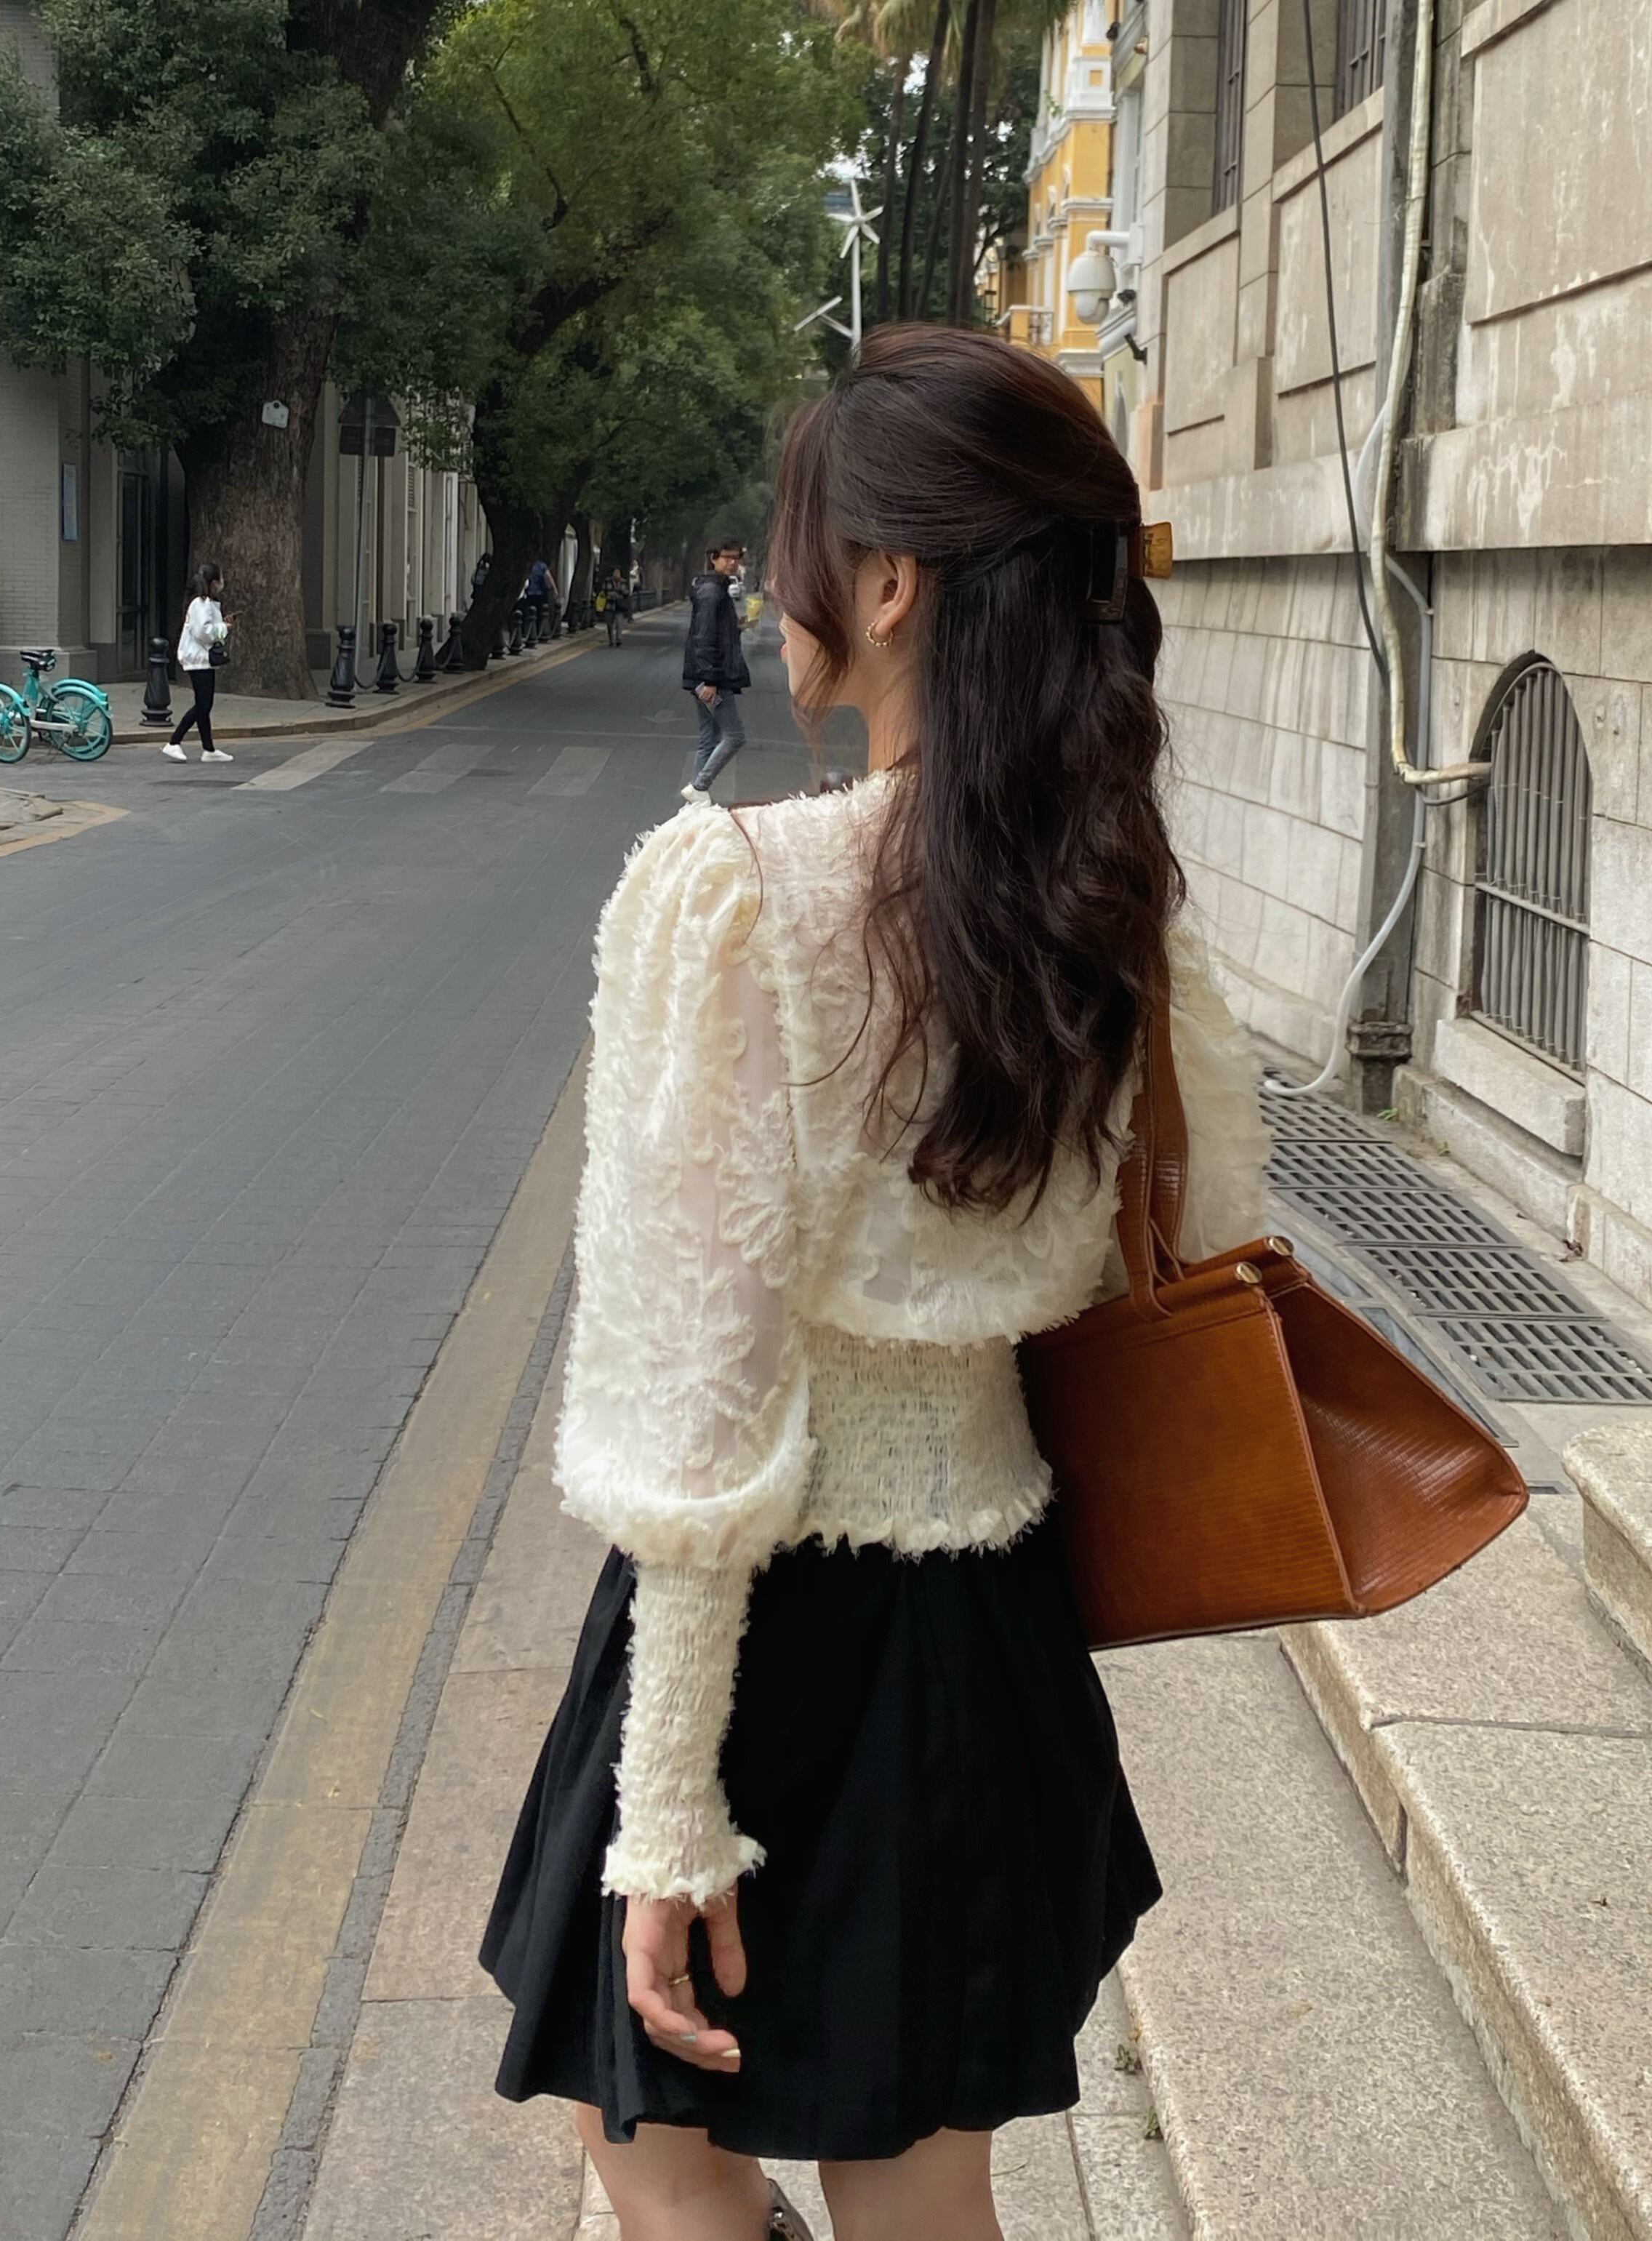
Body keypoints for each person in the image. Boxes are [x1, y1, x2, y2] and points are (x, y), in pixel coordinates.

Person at [479, 326, 1270, 2241]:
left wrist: (671, 1806)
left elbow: (701, 1395)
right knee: (921, 2183)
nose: (778, 583)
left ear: (896, 581)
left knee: (662, 2159)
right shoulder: (1111, 903)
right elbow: (1209, 1231)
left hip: (766, 1632)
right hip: (988, 1623)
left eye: (800, 542)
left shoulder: (736, 892)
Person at [678, 540, 750, 803]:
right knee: (734, 736)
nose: (732, 562)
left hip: (703, 675)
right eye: (727, 557)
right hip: (711, 678)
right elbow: (704, 637)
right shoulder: (712, 592)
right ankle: (700, 786)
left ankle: (695, 801)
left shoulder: (716, 588)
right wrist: (710, 679)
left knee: (709, 738)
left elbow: (715, 632)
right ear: (713, 559)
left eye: (736, 558)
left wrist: (736, 626)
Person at [162, 564, 234, 764]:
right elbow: (203, 632)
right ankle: (174, 742)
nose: (222, 583)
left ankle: (208, 749)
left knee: (204, 705)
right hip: (199, 659)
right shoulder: (202, 604)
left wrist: (222, 625)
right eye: (220, 579)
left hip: (201, 659)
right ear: (214, 582)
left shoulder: (205, 603)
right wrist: (224, 628)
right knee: (203, 705)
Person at [526, 558, 553, 641]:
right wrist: (553, 589)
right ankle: (539, 632)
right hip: (541, 593)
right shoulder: (542, 566)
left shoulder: (529, 566)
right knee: (541, 614)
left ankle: (530, 632)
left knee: (530, 614)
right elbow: (548, 578)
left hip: (530, 593)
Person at [606, 569, 630, 647]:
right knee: (609, 624)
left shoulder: (624, 582)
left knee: (619, 623)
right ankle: (611, 640)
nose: (616, 575)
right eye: (615, 574)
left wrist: (621, 591)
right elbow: (604, 591)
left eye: (618, 574)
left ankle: (619, 639)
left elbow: (627, 593)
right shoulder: (608, 581)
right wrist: (611, 594)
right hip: (610, 605)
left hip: (620, 606)